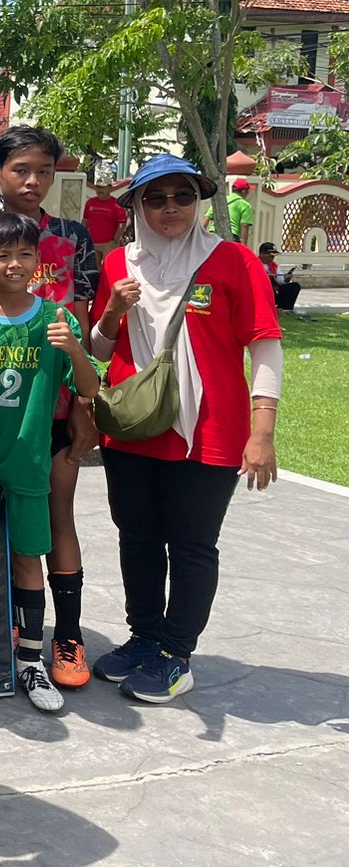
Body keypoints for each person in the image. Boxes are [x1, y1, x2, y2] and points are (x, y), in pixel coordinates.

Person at [90, 155, 281, 704]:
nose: (170, 207)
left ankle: (176, 654)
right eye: (155, 198)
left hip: (209, 429)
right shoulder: (119, 265)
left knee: (192, 545)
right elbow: (100, 346)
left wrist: (262, 432)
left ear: (198, 201)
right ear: (135, 207)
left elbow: (265, 346)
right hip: (134, 425)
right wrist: (113, 310)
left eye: (183, 195)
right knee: (137, 538)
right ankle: (144, 638)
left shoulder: (234, 261)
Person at [0, 125, 98, 688]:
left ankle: (68, 637)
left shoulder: (72, 236)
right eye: (21, 170)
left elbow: (80, 320)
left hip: (54, 406)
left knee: (56, 518)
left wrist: (84, 406)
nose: (34, 180)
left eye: (45, 170)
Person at [83, 177, 128, 264]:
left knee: (108, 267)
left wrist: (115, 241)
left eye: (103, 187)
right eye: (98, 187)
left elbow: (122, 224)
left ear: (110, 188)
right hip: (92, 243)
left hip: (108, 244)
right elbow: (85, 221)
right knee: (93, 268)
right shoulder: (90, 202)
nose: (100, 190)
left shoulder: (117, 204)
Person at [205, 176, 255, 247]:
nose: (248, 193)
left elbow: (207, 218)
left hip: (213, 234)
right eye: (248, 191)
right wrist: (244, 246)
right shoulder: (245, 205)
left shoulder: (221, 201)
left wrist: (202, 235)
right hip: (231, 236)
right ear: (244, 191)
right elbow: (245, 225)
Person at [257, 242, 303, 314]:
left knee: (295, 286)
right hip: (261, 292)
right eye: (270, 255)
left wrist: (286, 279)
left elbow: (281, 281)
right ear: (262, 254)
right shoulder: (254, 264)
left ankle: (284, 309)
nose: (273, 258)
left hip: (274, 292)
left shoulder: (274, 265)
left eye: (274, 256)